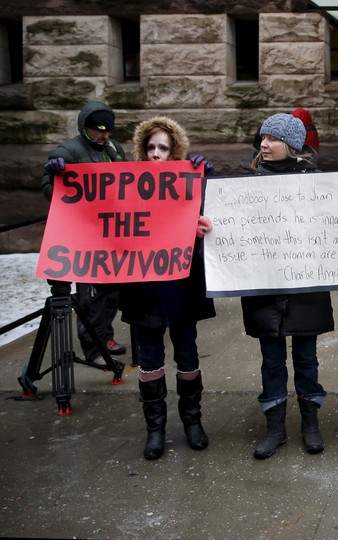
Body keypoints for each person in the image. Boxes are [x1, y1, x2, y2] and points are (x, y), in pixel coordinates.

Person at [242, 113, 338, 459]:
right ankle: (275, 427)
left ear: (293, 146)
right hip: (265, 289)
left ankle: (311, 423)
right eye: (262, 138)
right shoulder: (247, 186)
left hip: (306, 289)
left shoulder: (319, 185)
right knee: (271, 359)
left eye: (273, 139)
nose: (264, 145)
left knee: (306, 358)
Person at [122, 116, 217, 460]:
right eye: (151, 147)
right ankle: (156, 430)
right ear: (142, 151)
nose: (157, 154)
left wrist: (207, 177)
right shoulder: (127, 184)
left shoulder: (190, 181)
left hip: (180, 288)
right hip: (143, 290)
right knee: (149, 361)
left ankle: (193, 422)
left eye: (164, 147)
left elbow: (215, 211)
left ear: (174, 150)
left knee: (187, 355)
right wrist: (57, 175)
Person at [41, 100, 127, 366]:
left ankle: (105, 336)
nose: (104, 135)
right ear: (85, 126)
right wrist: (56, 176)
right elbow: (48, 190)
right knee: (90, 296)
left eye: (108, 130)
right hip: (84, 235)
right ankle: (93, 349)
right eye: (98, 130)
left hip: (111, 232)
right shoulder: (68, 151)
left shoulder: (113, 149)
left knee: (111, 291)